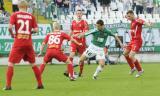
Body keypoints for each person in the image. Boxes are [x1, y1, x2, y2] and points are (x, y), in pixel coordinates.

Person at [4, 0, 43, 90]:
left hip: (18, 42)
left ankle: (8, 85)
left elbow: (9, 27)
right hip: (28, 42)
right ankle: (40, 84)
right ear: (26, 7)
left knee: (10, 63)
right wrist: (30, 32)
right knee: (33, 64)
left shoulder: (15, 15)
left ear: (18, 7)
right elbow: (36, 30)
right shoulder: (31, 16)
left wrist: (12, 34)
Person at [124, 10, 152, 77]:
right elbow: (127, 17)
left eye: (129, 16)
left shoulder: (137, 20)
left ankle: (140, 70)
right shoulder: (132, 21)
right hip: (132, 41)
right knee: (125, 53)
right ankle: (133, 68)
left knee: (131, 56)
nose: (128, 18)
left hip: (137, 41)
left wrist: (149, 24)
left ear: (133, 15)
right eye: (128, 16)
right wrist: (126, 16)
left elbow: (144, 22)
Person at [69, 9, 89, 76]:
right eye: (78, 13)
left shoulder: (84, 22)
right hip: (74, 41)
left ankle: (80, 72)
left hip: (81, 42)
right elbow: (71, 31)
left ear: (82, 14)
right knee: (71, 55)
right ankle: (71, 71)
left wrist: (80, 35)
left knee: (81, 58)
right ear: (76, 14)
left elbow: (86, 31)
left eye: (80, 13)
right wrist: (68, 37)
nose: (79, 15)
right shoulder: (73, 22)